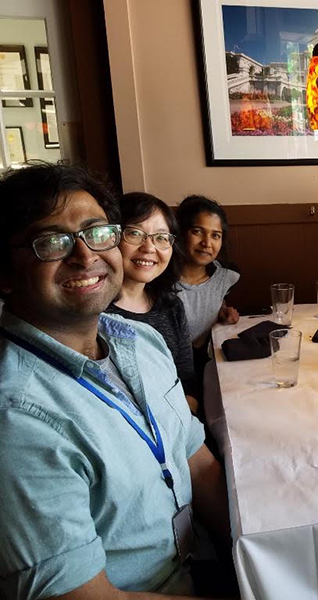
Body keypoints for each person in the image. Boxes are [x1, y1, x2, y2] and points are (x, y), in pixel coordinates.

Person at [0, 163, 232, 598]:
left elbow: (197, 463)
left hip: (198, 560)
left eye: (97, 232)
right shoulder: (16, 420)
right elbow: (84, 596)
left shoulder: (140, 340)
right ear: (5, 274)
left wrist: (253, 549)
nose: (85, 256)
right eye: (52, 242)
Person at [106, 192, 200, 414]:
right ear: (111, 237)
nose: (149, 248)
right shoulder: (94, 314)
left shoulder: (171, 306)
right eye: (135, 233)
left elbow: (187, 382)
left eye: (161, 237)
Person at [175, 195, 240, 349]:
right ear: (181, 233)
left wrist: (222, 311)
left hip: (206, 358)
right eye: (197, 231)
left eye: (215, 235)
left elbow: (209, 300)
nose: (207, 243)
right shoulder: (159, 281)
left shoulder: (225, 277)